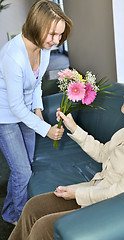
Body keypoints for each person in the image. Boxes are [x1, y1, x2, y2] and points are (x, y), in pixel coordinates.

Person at [8, 78, 124, 239]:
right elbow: (102, 153)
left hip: (111, 207)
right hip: (96, 191)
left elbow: (122, 193)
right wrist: (73, 127)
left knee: (44, 227)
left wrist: (77, 193)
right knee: (34, 206)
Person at [0, 0, 72, 224]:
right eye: (52, 34)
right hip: (6, 116)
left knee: (24, 167)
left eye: (60, 35)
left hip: (27, 113)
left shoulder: (45, 50)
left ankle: (9, 210)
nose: (56, 40)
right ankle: (19, 218)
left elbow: (37, 84)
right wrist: (45, 129)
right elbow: (15, 106)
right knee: (22, 171)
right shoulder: (13, 56)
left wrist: (38, 109)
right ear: (36, 25)